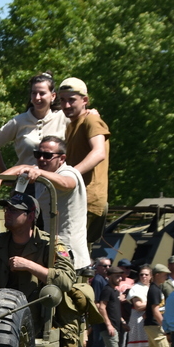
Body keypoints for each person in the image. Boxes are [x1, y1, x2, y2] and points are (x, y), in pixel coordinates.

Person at [0, 196, 80, 347]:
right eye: (6, 209)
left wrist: (29, 265)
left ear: (31, 216)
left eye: (13, 210)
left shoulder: (50, 245)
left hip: (36, 325)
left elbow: (66, 280)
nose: (7, 213)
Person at [0, 135, 88, 267]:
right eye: (38, 154)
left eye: (47, 155)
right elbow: (22, 167)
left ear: (62, 158)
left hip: (68, 251)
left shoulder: (69, 172)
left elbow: (67, 183)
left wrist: (39, 173)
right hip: (51, 247)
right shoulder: (43, 172)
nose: (41, 159)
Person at [57, 77, 111, 242]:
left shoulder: (91, 120)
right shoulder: (72, 125)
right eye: (63, 100)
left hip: (87, 200)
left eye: (72, 100)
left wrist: (70, 175)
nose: (66, 105)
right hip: (75, 199)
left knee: (72, 254)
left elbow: (99, 152)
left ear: (85, 100)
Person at [0, 73, 68, 171]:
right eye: (34, 93)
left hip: (55, 183)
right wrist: (5, 175)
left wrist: (90, 113)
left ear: (53, 96)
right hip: (26, 183)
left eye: (42, 93)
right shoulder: (19, 121)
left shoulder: (64, 118)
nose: (37, 97)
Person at [144, 263, 173, 347]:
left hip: (151, 324)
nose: (166, 277)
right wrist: (165, 326)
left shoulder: (156, 288)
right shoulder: (155, 290)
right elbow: (155, 311)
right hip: (155, 325)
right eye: (164, 275)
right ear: (157, 275)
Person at [126, 265, 151, 347]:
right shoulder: (136, 288)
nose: (144, 277)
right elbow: (138, 306)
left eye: (146, 274)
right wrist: (153, 304)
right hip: (138, 320)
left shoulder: (152, 288)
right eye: (142, 274)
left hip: (149, 320)